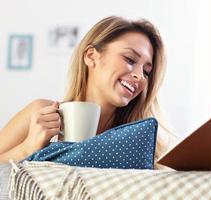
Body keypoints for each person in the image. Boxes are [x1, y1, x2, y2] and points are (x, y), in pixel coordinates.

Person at [0, 16, 178, 168]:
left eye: (147, 72)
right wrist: (28, 148)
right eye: (130, 59)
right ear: (91, 56)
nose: (140, 76)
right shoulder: (40, 115)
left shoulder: (138, 144)